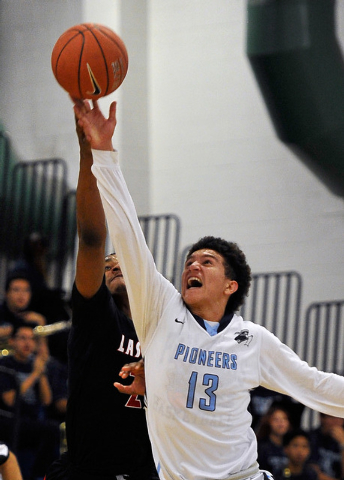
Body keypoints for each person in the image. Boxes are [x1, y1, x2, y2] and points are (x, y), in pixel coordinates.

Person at [74, 98, 344, 480]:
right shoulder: (160, 309)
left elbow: (316, 386)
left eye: (207, 262)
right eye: (189, 261)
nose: (193, 266)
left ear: (230, 286)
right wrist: (103, 152)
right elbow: (127, 233)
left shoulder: (253, 340)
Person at [44, 115, 158, 480]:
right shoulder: (99, 315)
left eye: (121, 259)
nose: (113, 264)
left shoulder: (161, 328)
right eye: (108, 264)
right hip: (87, 470)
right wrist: (87, 152)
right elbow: (92, 238)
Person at [0, 324, 60, 479]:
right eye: (22, 338)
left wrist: (41, 373)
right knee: (49, 430)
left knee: (53, 429)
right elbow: (11, 400)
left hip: (30, 419)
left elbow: (47, 400)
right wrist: (34, 374)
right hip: (8, 419)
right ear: (12, 341)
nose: (27, 343)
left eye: (32, 339)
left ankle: (41, 476)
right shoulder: (5, 365)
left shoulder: (35, 363)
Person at [0, 274, 46, 342]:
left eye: (26, 290)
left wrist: (41, 324)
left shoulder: (33, 318)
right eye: (16, 290)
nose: (21, 295)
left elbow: (43, 352)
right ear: (6, 293)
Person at [256, 405, 291, 477]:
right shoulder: (261, 447)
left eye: (284, 419)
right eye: (276, 419)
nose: (281, 423)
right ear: (269, 422)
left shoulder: (291, 445)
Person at [308, 413, 344, 480]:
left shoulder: (342, 439)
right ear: (322, 418)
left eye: (340, 418)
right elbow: (313, 471)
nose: (337, 421)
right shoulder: (312, 437)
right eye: (332, 417)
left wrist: (342, 444)